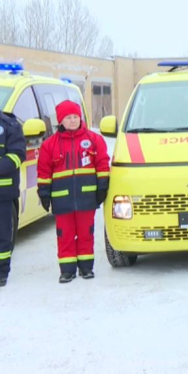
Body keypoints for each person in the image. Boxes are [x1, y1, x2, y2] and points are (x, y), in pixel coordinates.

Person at [37, 101, 110, 283]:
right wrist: (44, 193)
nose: (72, 121)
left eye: (75, 117)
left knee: (86, 233)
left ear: (80, 118)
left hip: (87, 198)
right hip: (62, 200)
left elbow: (102, 163)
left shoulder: (94, 140)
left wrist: (102, 186)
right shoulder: (49, 145)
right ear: (61, 121)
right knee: (65, 235)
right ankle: (67, 270)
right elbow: (44, 171)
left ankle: (86, 268)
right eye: (68, 118)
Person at [0, 111, 26, 288]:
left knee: (2, 234)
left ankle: (1, 272)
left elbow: (17, 155)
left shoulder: (9, 124)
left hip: (3, 192)